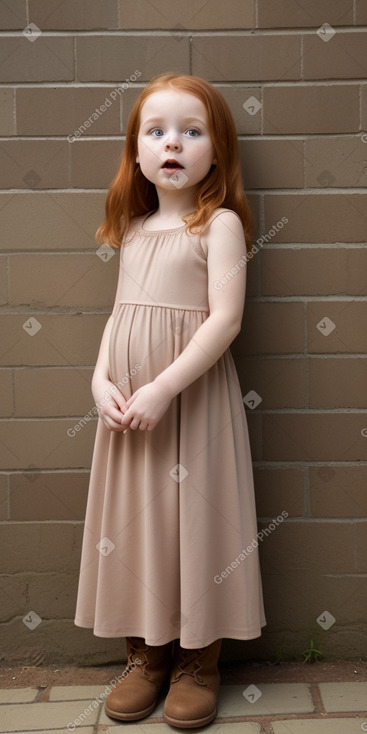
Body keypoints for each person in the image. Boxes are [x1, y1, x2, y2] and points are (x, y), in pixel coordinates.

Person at [74, 71, 266, 729]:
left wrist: (161, 387)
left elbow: (224, 320)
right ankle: (146, 656)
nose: (172, 144)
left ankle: (196, 661)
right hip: (129, 413)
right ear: (137, 153)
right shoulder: (130, 229)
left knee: (194, 522)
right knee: (137, 528)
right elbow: (119, 315)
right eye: (155, 132)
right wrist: (101, 382)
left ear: (217, 149)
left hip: (189, 403)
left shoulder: (218, 227)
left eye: (191, 130)